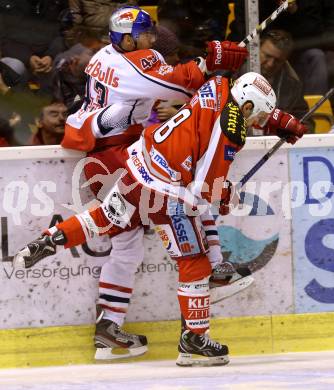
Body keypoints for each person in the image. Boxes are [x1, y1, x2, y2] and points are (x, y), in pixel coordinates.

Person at [13, 71, 307, 366]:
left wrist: (276, 119)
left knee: (106, 216)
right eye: (258, 116)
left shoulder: (218, 86)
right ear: (246, 108)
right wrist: (226, 194)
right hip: (165, 194)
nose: (258, 122)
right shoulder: (230, 132)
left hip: (140, 166)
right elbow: (204, 189)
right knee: (193, 260)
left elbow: (242, 102)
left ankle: (52, 238)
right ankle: (194, 340)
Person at [57, 5, 250, 362]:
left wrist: (194, 82)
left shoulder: (106, 55)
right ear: (128, 38)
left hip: (110, 154)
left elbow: (172, 90)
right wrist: (210, 65)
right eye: (147, 35)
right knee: (181, 205)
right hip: (117, 156)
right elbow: (182, 83)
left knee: (128, 243)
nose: (152, 43)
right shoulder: (128, 62)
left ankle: (108, 327)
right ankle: (213, 271)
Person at [252, 29, 314, 135]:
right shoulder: (236, 73)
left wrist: (293, 129)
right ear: (256, 51)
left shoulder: (292, 85)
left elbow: (305, 122)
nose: (270, 64)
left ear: (285, 60)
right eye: (267, 56)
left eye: (277, 60)